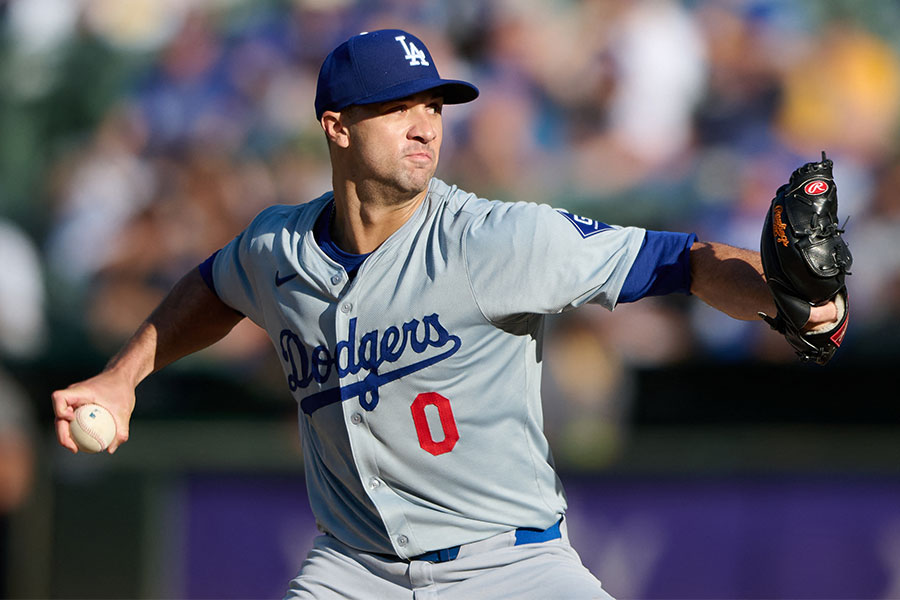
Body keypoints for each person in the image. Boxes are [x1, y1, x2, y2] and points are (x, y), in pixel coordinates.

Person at [52, 29, 840, 599]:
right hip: (355, 570)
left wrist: (783, 300)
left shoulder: (494, 240)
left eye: (434, 104)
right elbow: (215, 287)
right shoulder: (278, 247)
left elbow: (685, 260)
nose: (425, 122)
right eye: (398, 108)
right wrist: (125, 377)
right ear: (338, 126)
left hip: (512, 566)